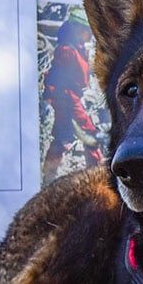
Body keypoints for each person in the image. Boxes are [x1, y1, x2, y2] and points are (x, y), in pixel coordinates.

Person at [43, 9, 102, 178]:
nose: (90, 34)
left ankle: (48, 175)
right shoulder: (67, 51)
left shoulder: (77, 48)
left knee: (62, 139)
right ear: (77, 30)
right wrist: (73, 110)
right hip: (68, 101)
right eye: (87, 31)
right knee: (89, 135)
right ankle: (98, 174)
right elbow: (62, 82)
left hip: (70, 100)